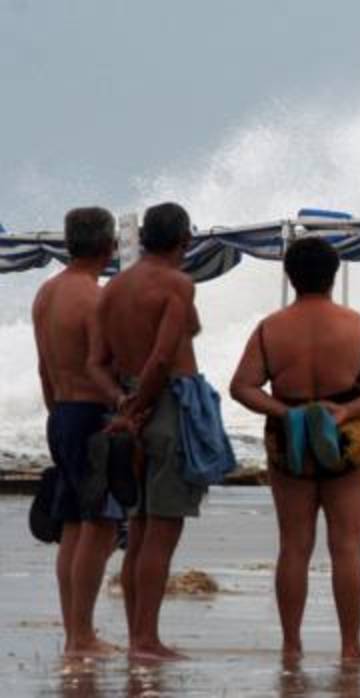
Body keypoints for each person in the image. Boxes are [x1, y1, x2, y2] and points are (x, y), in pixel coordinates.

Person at [230, 237, 360, 661]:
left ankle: (291, 644)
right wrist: (348, 411)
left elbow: (242, 386)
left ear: (289, 275)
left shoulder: (270, 328)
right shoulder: (359, 325)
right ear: (335, 275)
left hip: (289, 438)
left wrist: (284, 412)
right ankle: (350, 646)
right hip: (348, 435)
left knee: (293, 545)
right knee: (347, 547)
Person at [90, 202, 206, 661]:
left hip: (127, 403)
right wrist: (141, 408)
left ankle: (140, 634)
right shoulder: (177, 283)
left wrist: (122, 404)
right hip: (166, 404)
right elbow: (165, 355)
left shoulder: (113, 289)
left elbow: (97, 364)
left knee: (137, 527)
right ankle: (145, 639)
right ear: (184, 241)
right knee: (162, 528)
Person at [31, 206, 123, 658]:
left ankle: (75, 633)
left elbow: (44, 366)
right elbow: (107, 363)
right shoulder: (95, 297)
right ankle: (82, 636)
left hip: (62, 411)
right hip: (91, 413)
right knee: (99, 524)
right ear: (109, 247)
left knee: (71, 525)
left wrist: (56, 412)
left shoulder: (46, 293)